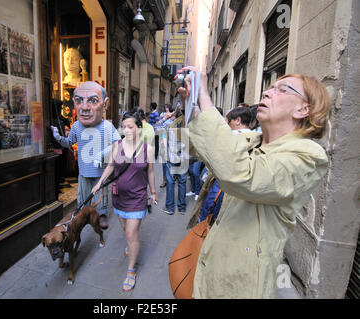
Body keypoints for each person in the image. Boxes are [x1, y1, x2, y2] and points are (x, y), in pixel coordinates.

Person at [179, 66, 330, 298]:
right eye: (269, 87)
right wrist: (189, 106)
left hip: (240, 283)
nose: (267, 93)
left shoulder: (308, 156)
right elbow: (195, 148)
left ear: (303, 109)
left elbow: (240, 174)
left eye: (282, 89)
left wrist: (205, 97)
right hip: (210, 261)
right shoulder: (251, 140)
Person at [91, 110, 157, 292]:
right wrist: (99, 183)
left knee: (130, 234)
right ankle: (131, 243)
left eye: (130, 127)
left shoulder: (147, 149)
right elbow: (111, 166)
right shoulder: (117, 146)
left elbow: (150, 172)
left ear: (139, 128)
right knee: (125, 229)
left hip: (137, 198)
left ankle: (131, 270)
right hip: (119, 197)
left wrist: (153, 191)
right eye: (124, 127)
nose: (126, 130)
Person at [51, 81, 121, 229]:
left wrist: (102, 154)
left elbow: (119, 144)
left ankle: (101, 215)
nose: (84, 107)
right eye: (78, 100)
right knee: (83, 196)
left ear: (105, 104)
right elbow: (69, 142)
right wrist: (57, 137)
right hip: (83, 171)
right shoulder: (76, 126)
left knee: (100, 194)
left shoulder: (107, 126)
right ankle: (84, 214)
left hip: (100, 171)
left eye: (93, 101)